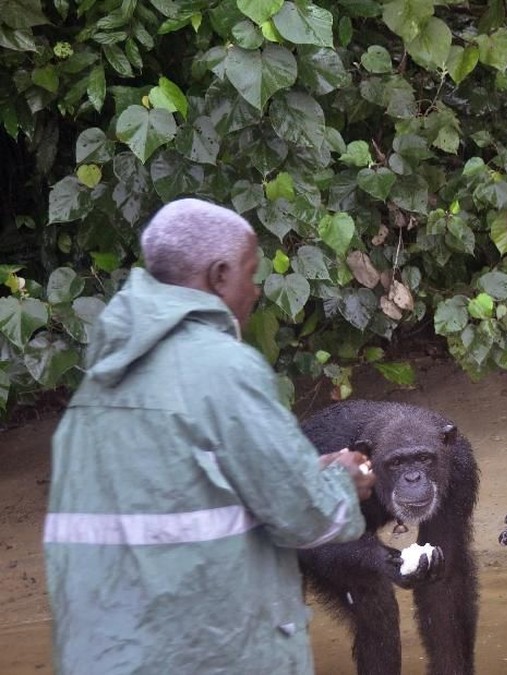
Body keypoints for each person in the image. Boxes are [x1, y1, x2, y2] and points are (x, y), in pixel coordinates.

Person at [43, 198, 375, 674]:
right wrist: (341, 481)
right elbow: (306, 516)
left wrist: (297, 476)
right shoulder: (223, 368)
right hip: (210, 657)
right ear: (219, 275)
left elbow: (173, 505)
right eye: (250, 272)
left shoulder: (94, 388)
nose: (256, 291)